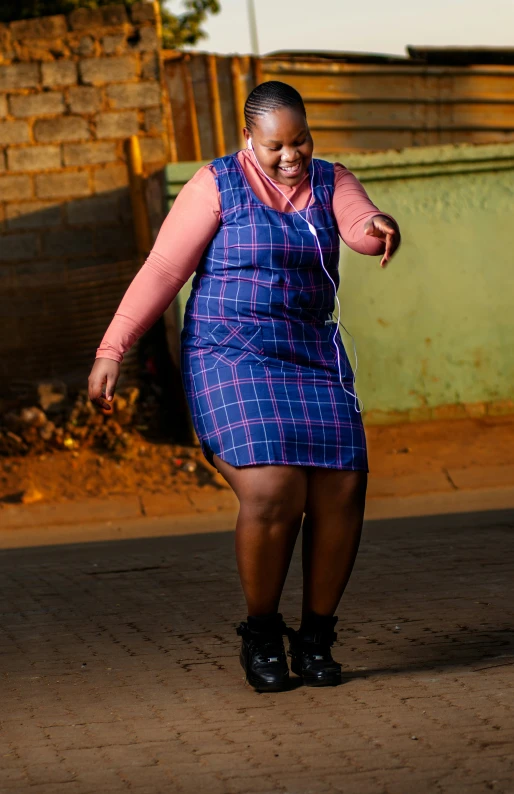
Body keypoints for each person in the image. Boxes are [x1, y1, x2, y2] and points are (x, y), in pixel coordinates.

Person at [89, 81, 401, 692]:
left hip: (310, 353)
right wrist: (111, 350)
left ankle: (315, 639)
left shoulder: (332, 180)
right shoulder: (215, 185)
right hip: (229, 355)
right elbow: (163, 270)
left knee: (343, 485)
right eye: (276, 145)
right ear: (247, 140)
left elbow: (359, 225)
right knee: (272, 488)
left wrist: (378, 226)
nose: (292, 156)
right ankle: (262, 634)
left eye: (301, 140)